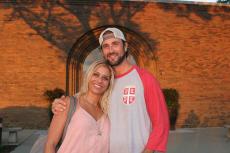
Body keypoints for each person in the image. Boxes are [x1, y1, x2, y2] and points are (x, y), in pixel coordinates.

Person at [52, 27, 169, 153]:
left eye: (115, 44)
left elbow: (161, 123)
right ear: (102, 52)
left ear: (125, 46)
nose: (111, 50)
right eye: (106, 46)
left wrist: (148, 151)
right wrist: (60, 103)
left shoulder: (144, 78)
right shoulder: (105, 82)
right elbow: (84, 101)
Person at [45, 60, 114, 153]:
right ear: (88, 76)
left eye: (105, 78)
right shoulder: (68, 103)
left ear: (109, 83)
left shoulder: (107, 111)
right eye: (96, 74)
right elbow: (50, 144)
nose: (99, 80)